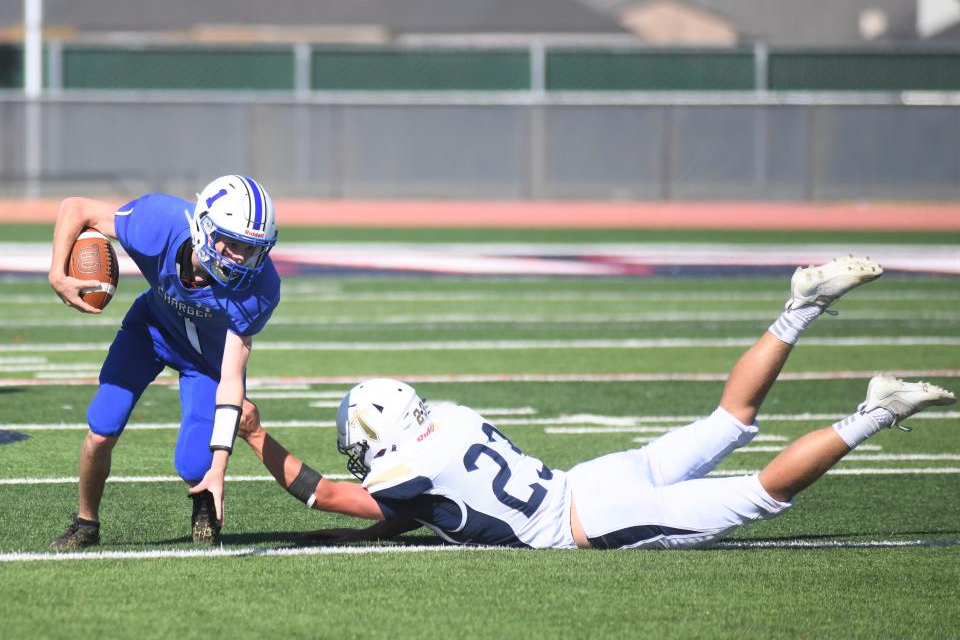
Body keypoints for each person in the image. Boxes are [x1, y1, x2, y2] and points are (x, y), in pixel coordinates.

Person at [238, 256, 955, 549]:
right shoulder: (450, 418)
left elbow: (331, 494)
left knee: (760, 496)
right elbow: (410, 516)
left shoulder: (400, 474)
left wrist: (258, 436)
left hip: (588, 517)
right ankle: (796, 311)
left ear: (379, 433)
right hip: (594, 476)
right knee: (728, 422)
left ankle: (874, 412)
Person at [48, 175, 281, 549]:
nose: (242, 258)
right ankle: (85, 521)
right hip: (152, 329)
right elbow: (75, 208)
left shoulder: (259, 287)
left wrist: (219, 468)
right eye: (234, 243)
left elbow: (232, 380)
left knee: (194, 464)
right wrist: (57, 273)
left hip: (207, 359)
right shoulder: (158, 223)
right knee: (101, 427)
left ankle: (204, 498)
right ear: (204, 227)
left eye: (252, 249)